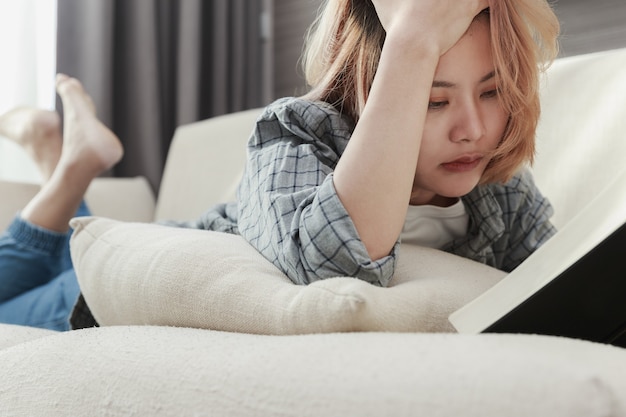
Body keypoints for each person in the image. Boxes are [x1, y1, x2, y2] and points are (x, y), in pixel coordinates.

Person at [0, 0, 560, 330]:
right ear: (371, 89)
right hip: (99, 289)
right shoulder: (295, 133)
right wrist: (411, 42)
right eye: (433, 100)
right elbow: (331, 270)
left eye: (491, 92)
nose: (475, 129)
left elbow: (560, 288)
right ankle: (69, 164)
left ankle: (61, 159)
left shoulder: (500, 197)